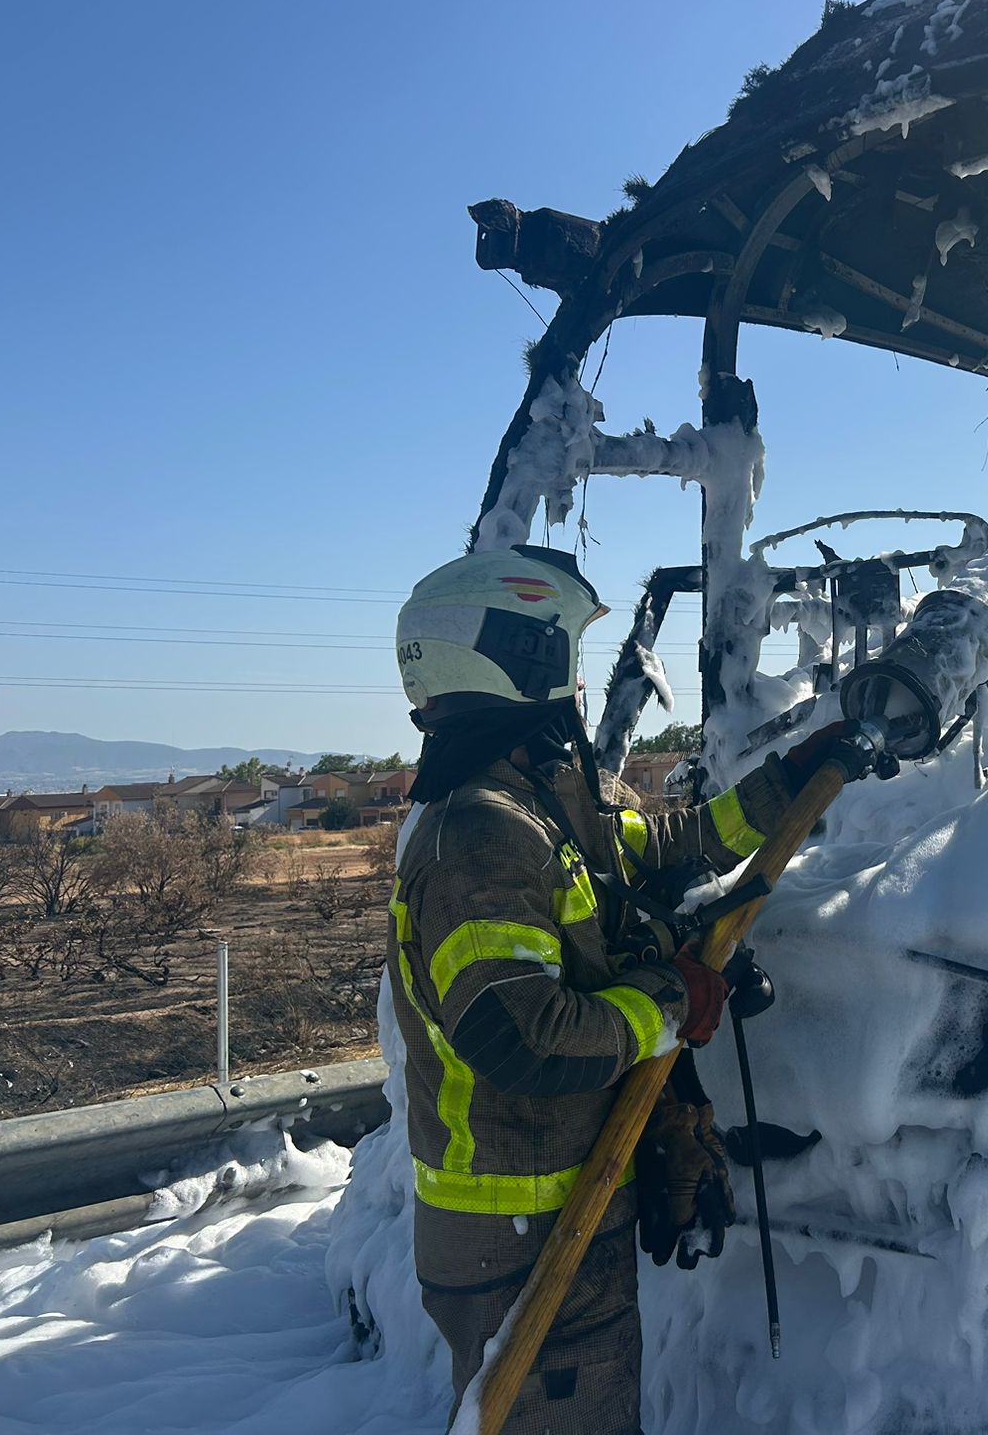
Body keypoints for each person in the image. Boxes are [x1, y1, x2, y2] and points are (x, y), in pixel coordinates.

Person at [390, 543, 862, 1433]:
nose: (572, 684)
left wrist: (794, 777)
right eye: (561, 656)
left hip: (559, 1204)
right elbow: (521, 1037)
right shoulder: (480, 841)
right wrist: (670, 1001)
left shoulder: (546, 799)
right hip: (516, 1238)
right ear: (522, 656)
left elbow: (675, 839)